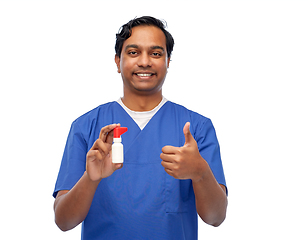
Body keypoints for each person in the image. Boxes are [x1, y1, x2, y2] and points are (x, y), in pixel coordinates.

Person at [53, 16, 228, 240]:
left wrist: (201, 172)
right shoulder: (86, 127)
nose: (145, 61)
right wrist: (91, 178)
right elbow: (64, 221)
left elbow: (216, 217)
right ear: (117, 61)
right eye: (133, 52)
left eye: (156, 53)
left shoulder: (196, 128)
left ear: (168, 61)